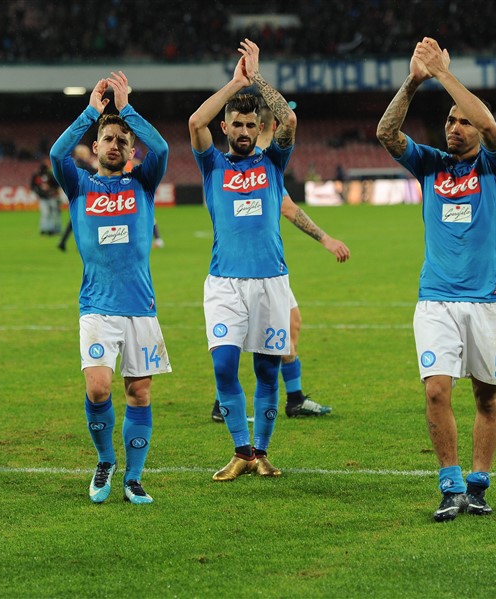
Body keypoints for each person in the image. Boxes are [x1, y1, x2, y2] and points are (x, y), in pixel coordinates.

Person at [376, 37, 496, 522]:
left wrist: (443, 74)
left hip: (487, 300)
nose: (454, 127)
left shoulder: (495, 166)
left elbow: (491, 127)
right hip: (435, 299)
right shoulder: (431, 165)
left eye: (462, 121)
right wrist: (415, 81)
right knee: (436, 389)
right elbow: (386, 132)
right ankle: (450, 486)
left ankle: (478, 485)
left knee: (487, 396)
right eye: (450, 120)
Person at [50, 71, 171, 505]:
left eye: (122, 140)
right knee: (98, 387)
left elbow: (162, 148)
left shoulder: (143, 182)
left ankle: (134, 477)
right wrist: (91, 113)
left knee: (139, 392)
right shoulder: (79, 184)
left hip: (140, 306)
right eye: (108, 139)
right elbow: (57, 152)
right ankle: (105, 460)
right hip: (97, 306)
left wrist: (127, 109)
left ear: (131, 149)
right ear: (96, 146)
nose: (115, 144)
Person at [189, 39, 297, 482]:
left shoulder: (273, 162)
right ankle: (240, 451)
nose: (245, 130)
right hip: (225, 283)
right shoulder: (212, 165)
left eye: (251, 124)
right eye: (237, 123)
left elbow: (289, 120)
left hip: (271, 280)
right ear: (226, 127)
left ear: (259, 127)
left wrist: (259, 79)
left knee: (267, 371)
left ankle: (262, 453)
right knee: (223, 366)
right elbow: (195, 121)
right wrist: (235, 84)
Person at [210, 102, 350, 423]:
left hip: (271, 267)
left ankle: (295, 398)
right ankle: (224, 401)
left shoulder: (266, 161)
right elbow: (287, 207)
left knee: (292, 322)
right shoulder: (251, 162)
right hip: (246, 268)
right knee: (239, 333)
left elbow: (285, 204)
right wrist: (326, 240)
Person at [56, 144, 95, 252]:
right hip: (84, 195)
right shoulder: (83, 165)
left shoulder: (75, 163)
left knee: (76, 219)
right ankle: (85, 243)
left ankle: (63, 241)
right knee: (86, 219)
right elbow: (93, 174)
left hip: (78, 195)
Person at [32, 162, 61, 236]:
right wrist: (51, 191)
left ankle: (46, 228)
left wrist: (41, 192)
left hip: (48, 197)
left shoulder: (38, 176)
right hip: (48, 197)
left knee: (47, 213)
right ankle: (50, 229)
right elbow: (56, 185)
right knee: (51, 213)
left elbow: (33, 186)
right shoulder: (49, 175)